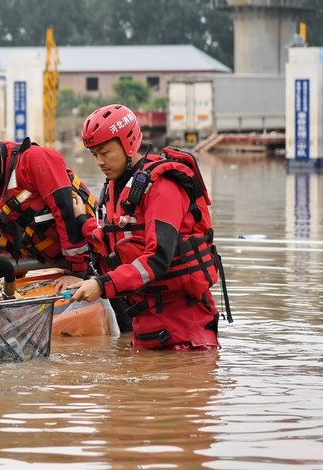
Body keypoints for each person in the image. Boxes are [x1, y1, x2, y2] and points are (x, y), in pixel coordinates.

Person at [55, 104, 224, 350]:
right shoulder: (117, 186)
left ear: (128, 143)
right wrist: (83, 220)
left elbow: (157, 258)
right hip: (145, 325)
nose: (100, 162)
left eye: (105, 152)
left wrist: (102, 284)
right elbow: (113, 240)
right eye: (94, 155)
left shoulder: (162, 187)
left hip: (185, 330)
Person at [0, 124, 98, 290]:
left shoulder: (34, 160)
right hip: (42, 256)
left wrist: (76, 272)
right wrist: (9, 272)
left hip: (91, 251)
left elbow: (65, 212)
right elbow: (4, 230)